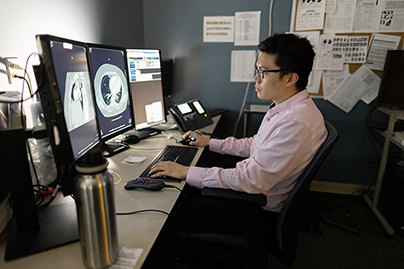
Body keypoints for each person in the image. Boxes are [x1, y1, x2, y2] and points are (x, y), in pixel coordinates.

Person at [144, 33, 327, 267]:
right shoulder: (287, 109)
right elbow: (255, 145)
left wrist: (186, 172)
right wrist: (210, 143)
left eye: (263, 72)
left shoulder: (295, 122)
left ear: (290, 78)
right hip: (255, 195)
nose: (255, 78)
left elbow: (251, 179)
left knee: (162, 215)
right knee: (182, 191)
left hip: (255, 210)